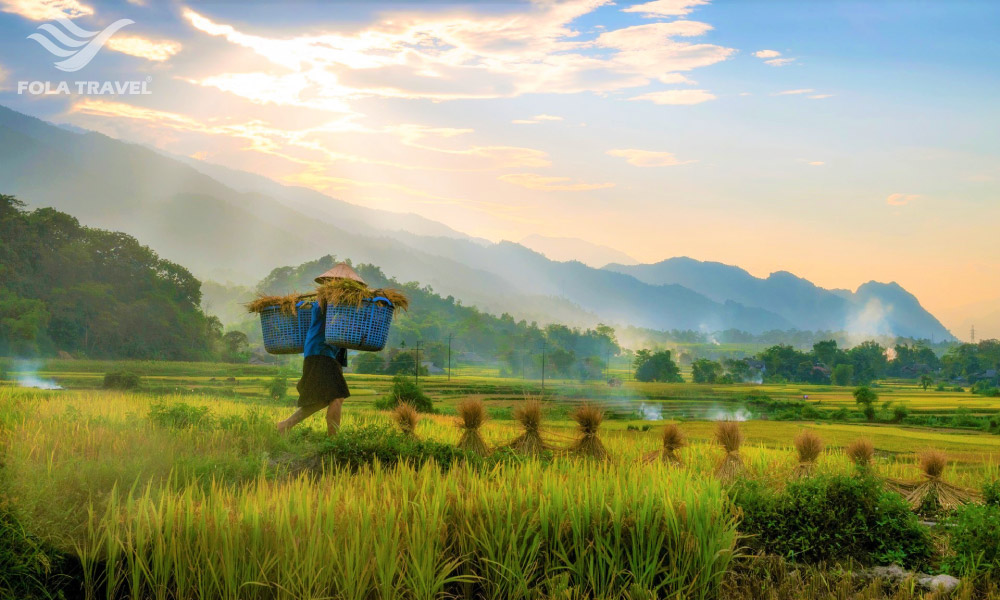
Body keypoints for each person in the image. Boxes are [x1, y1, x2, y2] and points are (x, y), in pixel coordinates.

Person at [277, 263, 361, 436]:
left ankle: (284, 426)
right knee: (337, 396)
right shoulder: (326, 299)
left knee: (323, 399)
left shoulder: (336, 303)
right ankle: (333, 442)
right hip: (320, 353)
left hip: (324, 354)